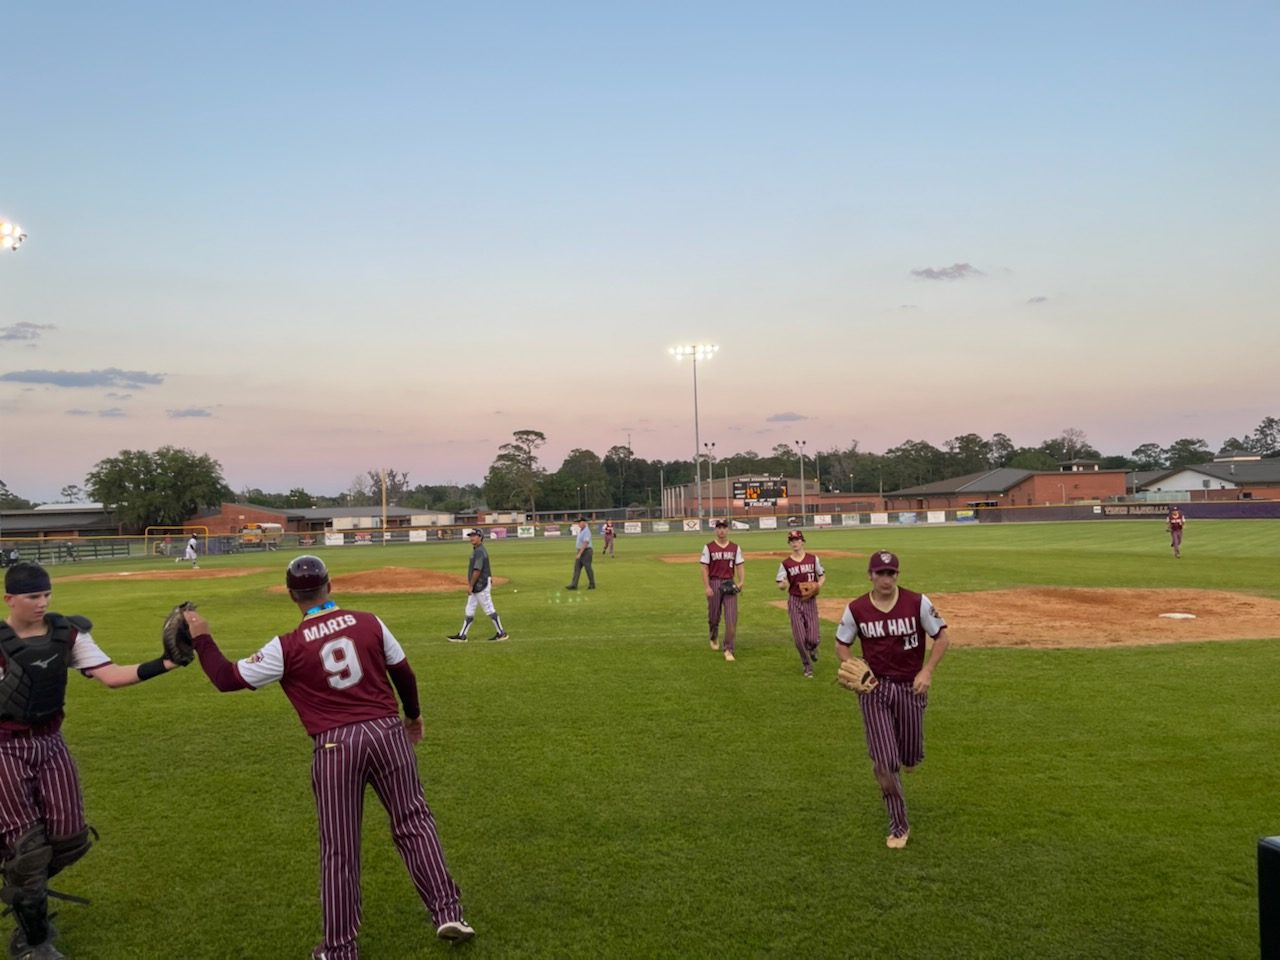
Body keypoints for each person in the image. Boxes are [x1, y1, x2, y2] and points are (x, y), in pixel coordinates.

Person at [183, 555, 474, 957]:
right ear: (330, 586)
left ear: (291, 595)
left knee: (340, 848)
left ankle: (339, 948)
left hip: (335, 747)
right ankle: (448, 912)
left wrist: (201, 635)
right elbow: (404, 673)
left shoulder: (286, 646)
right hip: (387, 734)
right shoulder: (370, 621)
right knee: (414, 822)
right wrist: (414, 716)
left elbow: (226, 678)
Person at [1, 561, 182, 960]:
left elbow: (112, 675)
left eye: (47, 594)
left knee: (70, 838)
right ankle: (32, 942)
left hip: (51, 743)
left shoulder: (67, 634)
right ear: (9, 598)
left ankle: (20, 887)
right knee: (28, 850)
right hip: (4, 750)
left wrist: (167, 662)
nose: (42, 602)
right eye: (33, 596)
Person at [835, 550, 950, 850]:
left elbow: (942, 637)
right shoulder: (857, 609)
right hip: (875, 689)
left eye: (891, 573)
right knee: (885, 763)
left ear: (897, 575)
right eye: (880, 573)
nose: (886, 579)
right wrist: (851, 667)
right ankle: (898, 824)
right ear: (870, 575)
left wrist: (927, 671)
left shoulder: (917, 602)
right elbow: (841, 643)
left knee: (910, 755)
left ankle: (910, 757)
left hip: (911, 687)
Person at [775, 531, 825, 677]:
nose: (794, 542)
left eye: (797, 539)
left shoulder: (812, 559)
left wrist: (818, 586)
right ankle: (807, 665)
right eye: (791, 540)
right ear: (789, 543)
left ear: (802, 541)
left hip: (810, 601)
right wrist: (783, 584)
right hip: (794, 601)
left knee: (813, 638)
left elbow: (821, 575)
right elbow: (780, 583)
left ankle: (813, 647)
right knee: (799, 637)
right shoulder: (786, 563)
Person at [447, 530, 509, 642]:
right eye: (470, 536)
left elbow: (477, 570)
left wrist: (471, 586)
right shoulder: (476, 550)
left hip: (481, 584)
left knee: (489, 608)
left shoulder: (480, 551)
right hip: (477, 584)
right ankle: (462, 635)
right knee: (469, 609)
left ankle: (501, 633)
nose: (471, 538)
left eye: (474, 536)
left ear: (480, 537)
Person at [700, 520, 744, 662]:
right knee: (714, 616)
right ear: (715, 530)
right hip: (714, 582)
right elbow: (704, 568)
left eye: (724, 528)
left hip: (729, 583)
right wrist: (707, 587)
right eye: (719, 528)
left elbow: (740, 565)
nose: (722, 531)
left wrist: (741, 581)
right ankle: (713, 635)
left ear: (728, 530)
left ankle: (728, 649)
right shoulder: (709, 547)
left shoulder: (735, 548)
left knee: (731, 617)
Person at [565, 516, 595, 590]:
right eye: (578, 522)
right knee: (577, 568)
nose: (578, 524)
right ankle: (574, 584)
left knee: (588, 568)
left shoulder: (586, 531)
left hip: (586, 551)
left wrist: (579, 554)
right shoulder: (581, 530)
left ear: (584, 522)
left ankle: (592, 584)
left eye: (580, 522)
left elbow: (586, 543)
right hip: (581, 551)